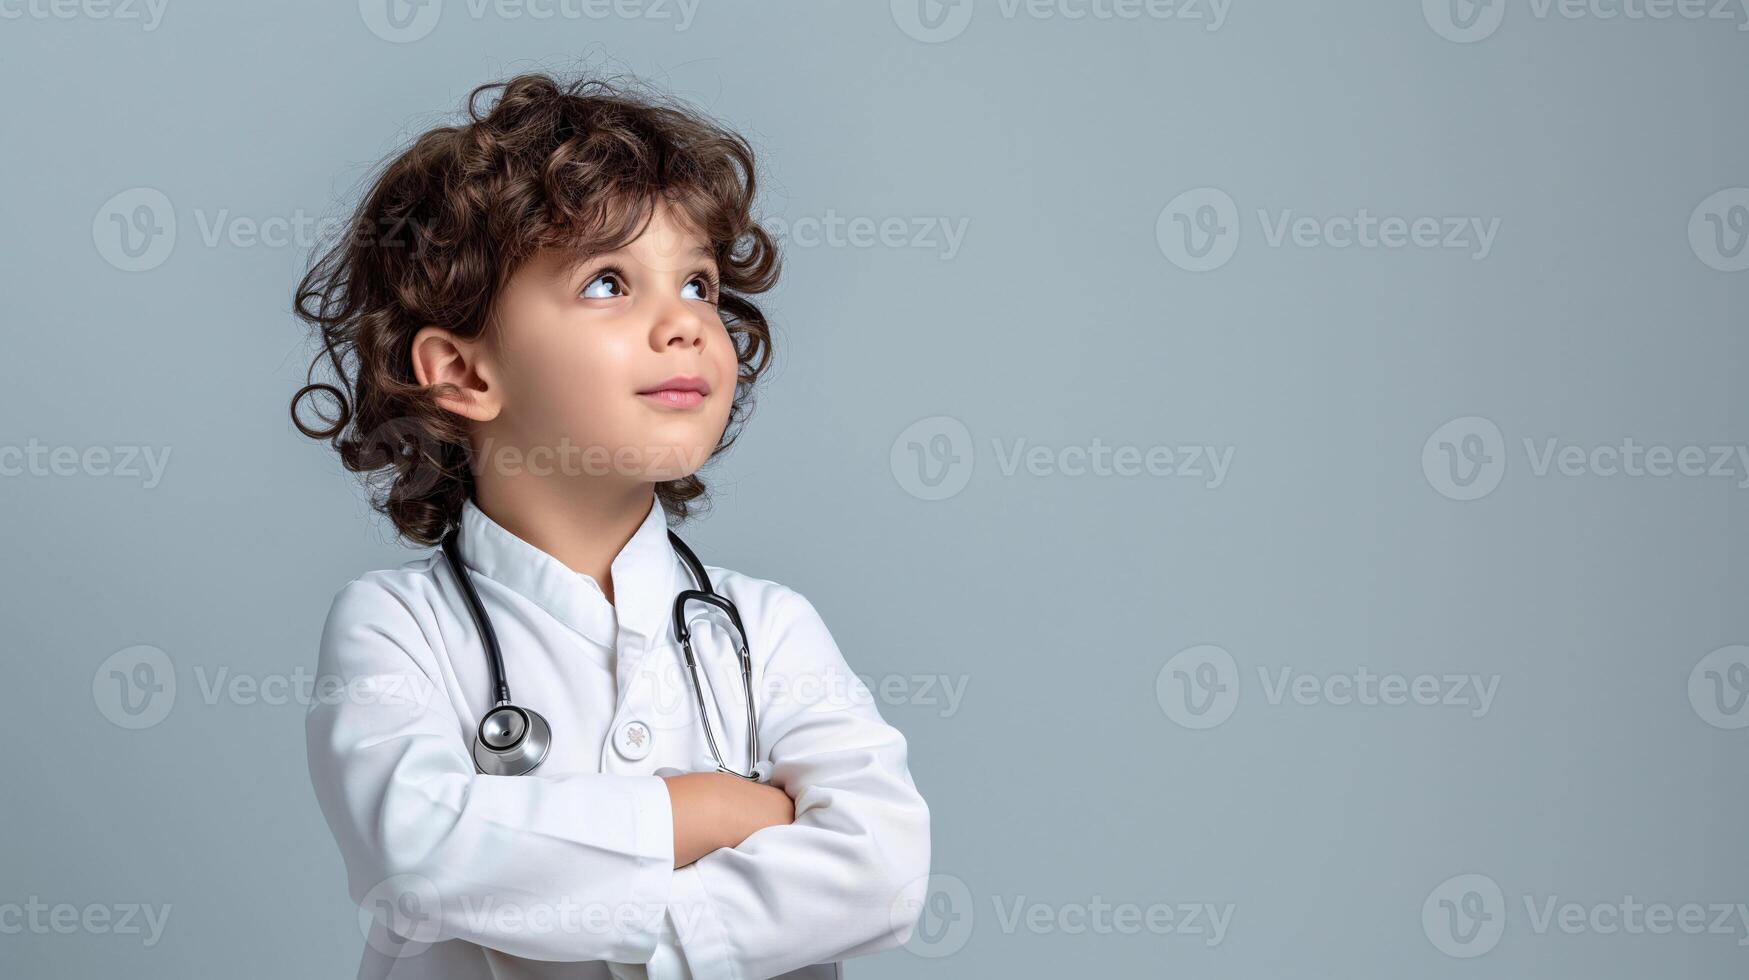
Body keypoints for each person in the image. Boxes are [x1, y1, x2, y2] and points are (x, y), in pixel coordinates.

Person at [291, 71, 931, 980]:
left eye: (700, 283)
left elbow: (881, 872)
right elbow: (417, 856)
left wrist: (580, 899)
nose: (683, 324)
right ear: (462, 374)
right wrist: (705, 813)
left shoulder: (766, 629)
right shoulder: (395, 627)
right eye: (606, 283)